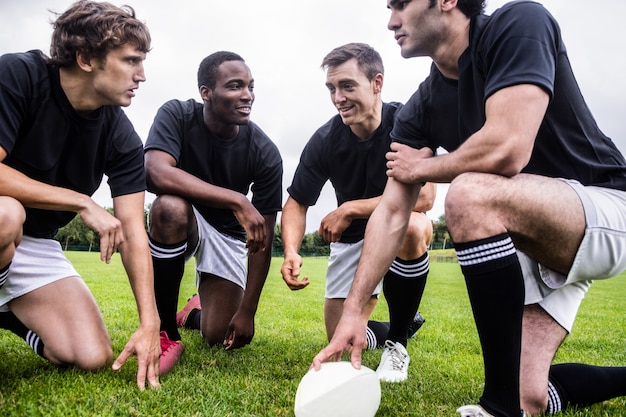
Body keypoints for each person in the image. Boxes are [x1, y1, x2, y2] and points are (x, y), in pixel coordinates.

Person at [312, 1, 626, 416]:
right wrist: (353, 312)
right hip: (529, 238)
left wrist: (423, 168)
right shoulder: (420, 106)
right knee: (530, 396)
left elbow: (507, 147)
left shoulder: (517, 24)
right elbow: (392, 212)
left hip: (602, 209)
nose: (391, 21)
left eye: (401, 4)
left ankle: (498, 408)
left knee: (469, 193)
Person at [0, 0, 160, 390]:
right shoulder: (18, 74)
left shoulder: (121, 136)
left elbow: (133, 232)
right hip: (5, 223)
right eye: (131, 60)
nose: (141, 75)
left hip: (34, 244)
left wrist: (150, 321)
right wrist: (82, 201)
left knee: (90, 356)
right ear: (86, 58)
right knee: (6, 214)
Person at [281, 43, 434, 383]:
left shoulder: (406, 122)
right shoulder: (325, 138)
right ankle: (401, 322)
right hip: (351, 242)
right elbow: (296, 202)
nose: (338, 97)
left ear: (376, 83)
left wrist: (351, 208)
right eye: (332, 89)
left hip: (397, 228)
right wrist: (291, 250)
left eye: (347, 86)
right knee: (341, 338)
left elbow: (425, 195)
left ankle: (397, 343)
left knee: (410, 227)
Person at [144, 51, 283, 374]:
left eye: (250, 87)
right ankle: (166, 330)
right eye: (235, 86)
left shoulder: (264, 152)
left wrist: (248, 310)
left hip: (227, 234)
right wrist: (237, 200)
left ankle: (194, 311)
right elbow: (156, 172)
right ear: (206, 92)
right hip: (188, 218)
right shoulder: (177, 114)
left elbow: (262, 240)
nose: (247, 95)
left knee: (219, 334)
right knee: (168, 207)